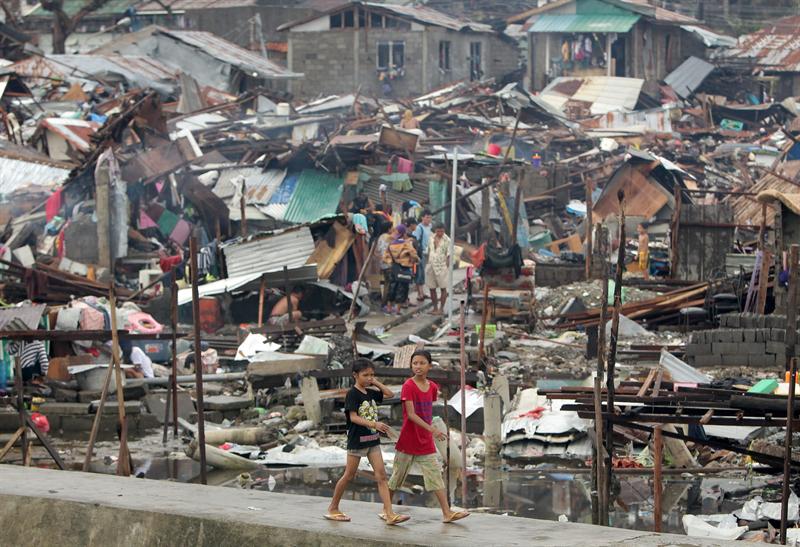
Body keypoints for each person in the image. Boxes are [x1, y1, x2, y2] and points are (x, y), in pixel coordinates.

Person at [386, 350, 469, 523]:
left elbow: (427, 412)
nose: (418, 366)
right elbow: (411, 415)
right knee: (396, 478)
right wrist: (433, 430)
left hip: (425, 441)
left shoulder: (432, 387)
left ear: (429, 366)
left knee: (435, 476)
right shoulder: (408, 386)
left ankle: (447, 513)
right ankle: (387, 511)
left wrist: (432, 430)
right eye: (415, 363)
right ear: (411, 366)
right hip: (408, 440)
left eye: (422, 363)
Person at [325, 359, 409, 525]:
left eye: (372, 374)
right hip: (357, 441)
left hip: (372, 441)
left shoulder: (370, 392)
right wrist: (374, 424)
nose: (369, 378)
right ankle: (333, 508)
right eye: (365, 375)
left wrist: (375, 382)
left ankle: (389, 512)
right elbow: (353, 417)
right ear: (355, 375)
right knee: (348, 475)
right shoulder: (352, 394)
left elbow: (390, 394)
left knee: (382, 476)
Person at [383, 224, 418, 315]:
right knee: (402, 289)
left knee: (392, 287)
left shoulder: (391, 245)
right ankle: (398, 310)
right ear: (404, 233)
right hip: (404, 269)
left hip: (394, 268)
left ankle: (389, 308)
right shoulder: (406, 244)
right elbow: (414, 255)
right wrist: (411, 261)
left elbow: (385, 257)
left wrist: (391, 262)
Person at [426, 223, 451, 315]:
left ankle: (441, 308)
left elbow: (449, 254)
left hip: (441, 266)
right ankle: (435, 308)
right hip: (431, 265)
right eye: (438, 231)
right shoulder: (431, 238)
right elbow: (429, 250)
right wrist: (427, 263)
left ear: (444, 231)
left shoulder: (447, 240)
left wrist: (446, 266)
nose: (440, 233)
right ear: (435, 230)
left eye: (442, 231)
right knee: (432, 288)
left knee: (443, 288)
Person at [412, 210, 433, 303]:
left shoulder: (430, 226)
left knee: (423, 272)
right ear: (422, 218)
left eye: (430, 217)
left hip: (428, 252)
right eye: (427, 217)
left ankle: (422, 292)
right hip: (421, 253)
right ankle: (419, 294)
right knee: (419, 273)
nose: (429, 219)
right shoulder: (419, 228)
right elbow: (415, 240)